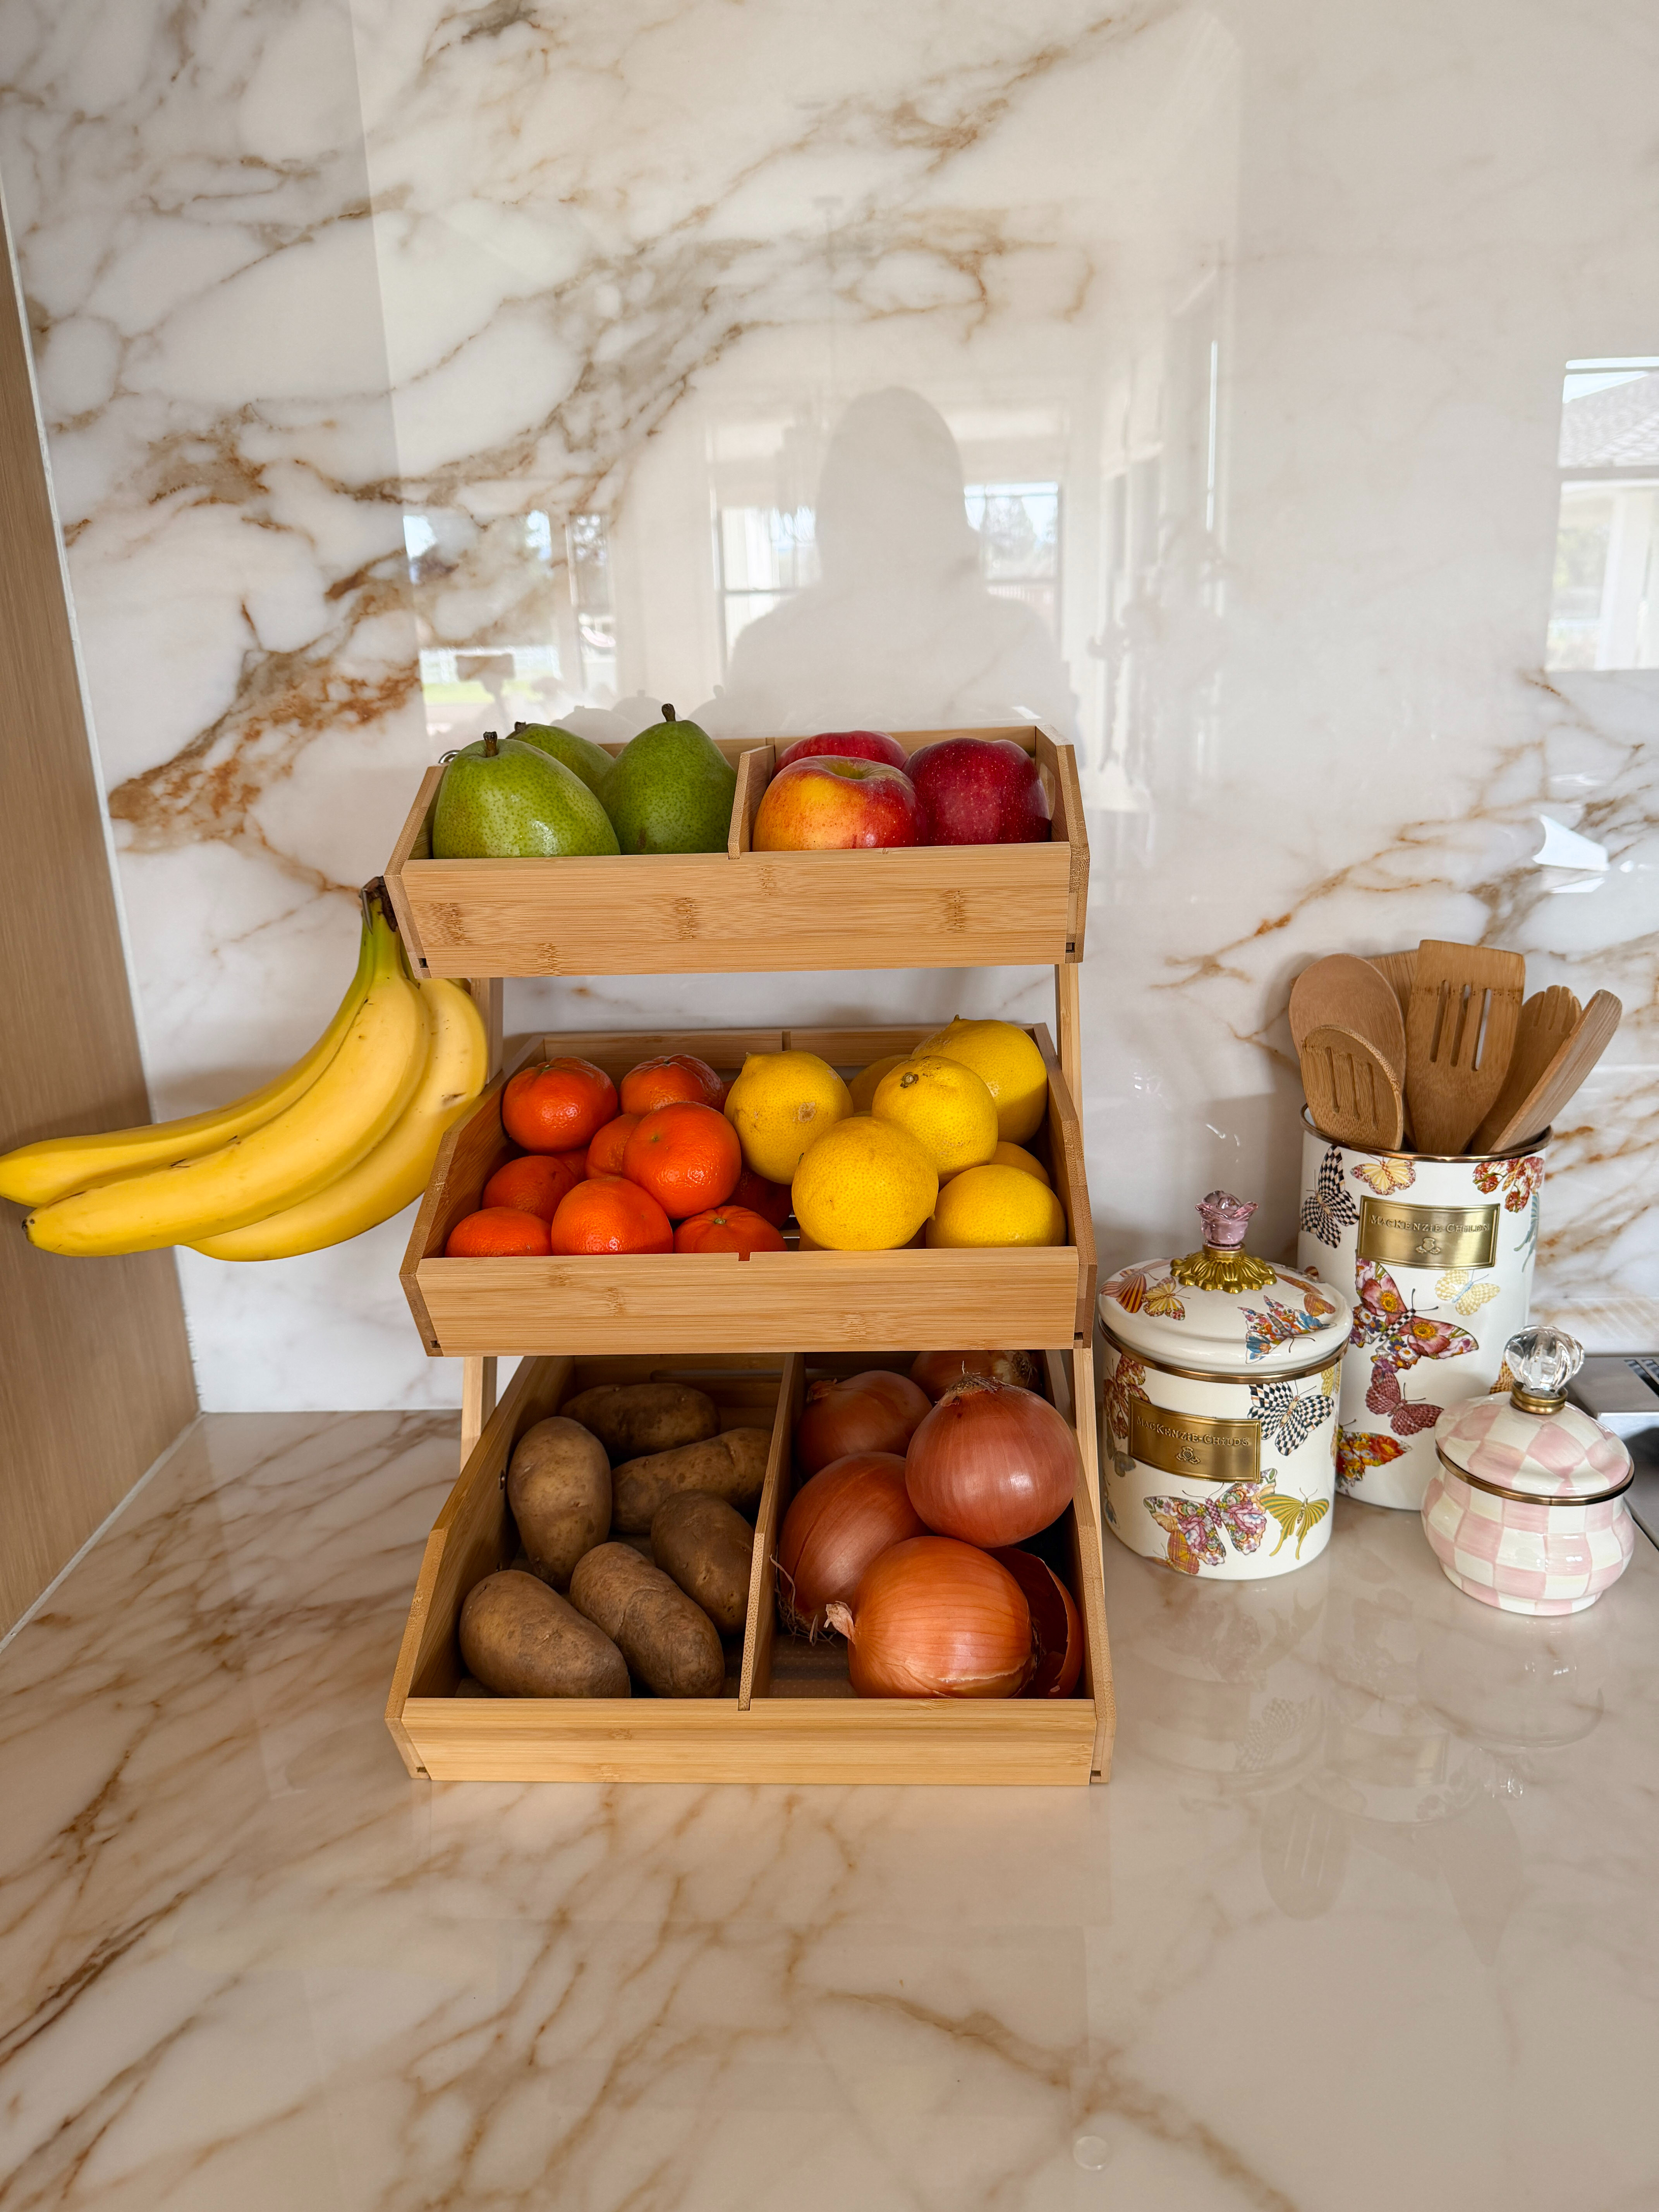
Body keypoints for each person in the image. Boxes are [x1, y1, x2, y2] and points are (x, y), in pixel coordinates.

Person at [714, 387, 1076, 736]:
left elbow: (1064, 779)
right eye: (855, 493)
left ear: (942, 507)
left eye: (898, 493)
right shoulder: (766, 648)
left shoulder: (1014, 639)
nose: (874, 520)